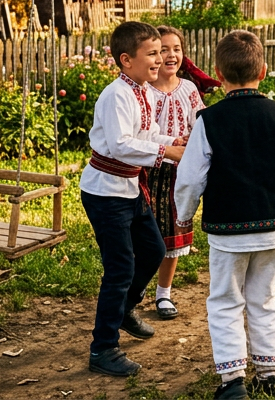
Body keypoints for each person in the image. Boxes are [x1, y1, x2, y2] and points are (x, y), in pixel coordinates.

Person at [174, 30, 275, 399]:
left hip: (226, 229)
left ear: (218, 75)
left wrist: (183, 216)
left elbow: (190, 178)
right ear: (263, 71)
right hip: (272, 226)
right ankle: (269, 373)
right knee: (263, 297)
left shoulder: (208, 120)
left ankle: (233, 379)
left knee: (224, 300)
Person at [82, 21, 187, 377]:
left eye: (161, 52)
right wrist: (168, 152)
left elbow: (148, 132)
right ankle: (103, 348)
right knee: (120, 268)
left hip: (128, 188)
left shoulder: (142, 90)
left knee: (154, 250)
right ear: (127, 60)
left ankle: (124, 309)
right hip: (105, 193)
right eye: (152, 53)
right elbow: (120, 144)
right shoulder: (116, 95)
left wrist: (176, 139)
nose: (160, 59)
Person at [143, 25, 207, 320]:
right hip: (146, 172)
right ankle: (138, 283)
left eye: (176, 49)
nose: (170, 55)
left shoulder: (189, 89)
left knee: (172, 236)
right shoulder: (145, 91)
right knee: (144, 235)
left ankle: (163, 293)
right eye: (163, 50)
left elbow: (200, 126)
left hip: (179, 173)